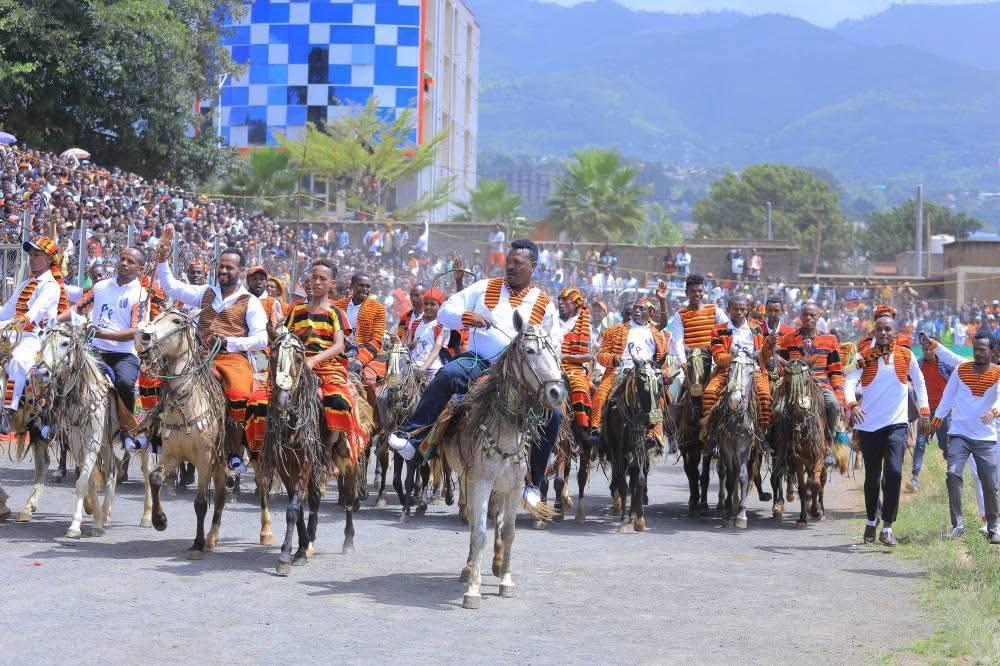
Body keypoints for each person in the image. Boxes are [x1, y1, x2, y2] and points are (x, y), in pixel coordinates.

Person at [388, 239, 562, 509]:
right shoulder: (484, 287)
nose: (510, 267)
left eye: (518, 263)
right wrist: (469, 318)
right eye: (509, 262)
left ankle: (534, 484)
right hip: (480, 361)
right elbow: (446, 312)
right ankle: (413, 435)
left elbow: (555, 343)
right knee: (447, 374)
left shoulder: (543, 302)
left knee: (555, 414)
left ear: (533, 266)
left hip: (522, 374)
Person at [152, 224, 268, 478]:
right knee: (165, 380)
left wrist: (230, 342)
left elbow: (261, 339)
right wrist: (162, 260)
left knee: (238, 394)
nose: (223, 271)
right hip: (200, 356)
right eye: (221, 266)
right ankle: (157, 434)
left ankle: (234, 450)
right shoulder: (206, 292)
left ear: (241, 271)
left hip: (233, 359)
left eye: (230, 268)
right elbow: (171, 287)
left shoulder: (250, 302)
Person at [845, 314, 930, 547]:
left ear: (895, 332)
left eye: (888, 329)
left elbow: (920, 382)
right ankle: (871, 520)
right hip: (869, 425)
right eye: (879, 329)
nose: (883, 333)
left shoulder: (906, 355)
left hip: (897, 424)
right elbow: (849, 381)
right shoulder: (863, 357)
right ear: (874, 332)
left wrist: (924, 411)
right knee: (872, 477)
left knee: (893, 472)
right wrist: (852, 405)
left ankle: (888, 527)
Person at [285, 259, 368, 457]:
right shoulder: (296, 310)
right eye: (314, 277)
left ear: (331, 284)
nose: (316, 282)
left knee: (339, 401)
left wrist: (314, 360)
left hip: (329, 366)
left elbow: (339, 345)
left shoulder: (335, 312)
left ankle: (330, 449)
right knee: (268, 398)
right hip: (297, 365)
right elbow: (286, 337)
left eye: (322, 279)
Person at [931, 331, 1000, 544]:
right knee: (953, 474)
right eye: (975, 349)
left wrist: (994, 411)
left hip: (985, 438)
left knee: (989, 482)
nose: (977, 353)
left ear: (992, 351)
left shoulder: (998, 373)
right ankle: (957, 525)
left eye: (982, 350)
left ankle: (994, 527)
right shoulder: (961, 370)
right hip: (959, 434)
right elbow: (947, 397)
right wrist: (936, 421)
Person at [0, 237, 66, 430]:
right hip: (14, 334)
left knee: (19, 362)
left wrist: (7, 325)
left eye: (37, 255)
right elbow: (7, 311)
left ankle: (8, 410)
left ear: (49, 259)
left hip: (36, 337)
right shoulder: (25, 284)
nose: (32, 259)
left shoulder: (51, 286)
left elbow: (31, 316)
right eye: (30, 255)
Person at [589, 298, 670, 450]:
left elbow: (662, 360)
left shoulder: (657, 334)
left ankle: (655, 432)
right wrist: (614, 359)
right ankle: (596, 428)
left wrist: (664, 374)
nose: (637, 311)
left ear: (650, 314)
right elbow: (601, 355)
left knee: (659, 401)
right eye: (635, 308)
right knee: (600, 394)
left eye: (641, 309)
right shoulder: (614, 330)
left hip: (648, 374)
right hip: (620, 372)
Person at [777, 301, 850, 465]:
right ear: (800, 317)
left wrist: (839, 398)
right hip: (794, 386)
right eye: (805, 315)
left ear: (818, 317)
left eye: (812, 315)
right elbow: (781, 367)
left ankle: (828, 444)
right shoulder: (788, 339)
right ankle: (778, 451)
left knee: (832, 404)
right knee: (778, 409)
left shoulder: (830, 340)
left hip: (821, 386)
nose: (808, 318)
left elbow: (836, 372)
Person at [87, 247, 148, 438]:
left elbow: (134, 331)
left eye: (130, 262)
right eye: (122, 259)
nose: (124, 263)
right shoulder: (100, 287)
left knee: (124, 382)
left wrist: (103, 334)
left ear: (141, 269)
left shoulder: (141, 294)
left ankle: (127, 429)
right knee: (67, 372)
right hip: (95, 351)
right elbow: (79, 307)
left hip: (124, 355)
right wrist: (56, 319)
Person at [700, 294, 771, 433]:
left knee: (764, 396)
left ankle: (763, 433)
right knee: (709, 394)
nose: (739, 312)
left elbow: (763, 356)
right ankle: (708, 432)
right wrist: (735, 357)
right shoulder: (718, 330)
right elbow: (718, 357)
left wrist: (768, 347)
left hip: (753, 370)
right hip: (727, 371)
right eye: (735, 309)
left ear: (747, 310)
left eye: (742, 309)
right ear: (728, 310)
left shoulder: (757, 329)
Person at [908, 332, 965, 491]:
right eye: (925, 349)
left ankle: (952, 475)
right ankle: (914, 478)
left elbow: (959, 379)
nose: (928, 351)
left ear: (936, 348)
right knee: (920, 443)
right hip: (925, 412)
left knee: (946, 444)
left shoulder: (946, 365)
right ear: (922, 349)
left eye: (931, 348)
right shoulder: (918, 366)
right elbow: (909, 384)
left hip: (943, 412)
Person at [663, 274, 729, 371]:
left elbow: (728, 330)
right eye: (693, 291)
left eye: (700, 291)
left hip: (713, 361)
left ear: (704, 291)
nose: (697, 294)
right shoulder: (680, 315)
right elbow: (677, 341)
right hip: (691, 362)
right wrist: (682, 361)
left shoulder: (715, 310)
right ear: (686, 293)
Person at [333, 272, 387, 383]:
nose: (365, 289)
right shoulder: (337, 306)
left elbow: (377, 340)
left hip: (370, 355)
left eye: (368, 286)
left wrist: (360, 360)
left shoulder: (378, 308)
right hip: (340, 352)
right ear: (351, 286)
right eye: (361, 285)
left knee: (367, 380)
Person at [558, 287, 593, 433]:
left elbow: (588, 356)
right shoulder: (552, 320)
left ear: (576, 304)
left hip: (574, 369)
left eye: (565, 300)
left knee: (580, 389)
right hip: (551, 365)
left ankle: (581, 431)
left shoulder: (584, 325)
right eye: (559, 300)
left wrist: (566, 357)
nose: (560, 303)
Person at [408, 288, 449, 382]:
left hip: (432, 371)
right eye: (426, 304)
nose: (428, 307)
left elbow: (436, 351)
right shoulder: (416, 323)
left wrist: (422, 368)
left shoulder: (442, 326)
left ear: (440, 305)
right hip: (412, 367)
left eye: (433, 304)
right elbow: (409, 346)